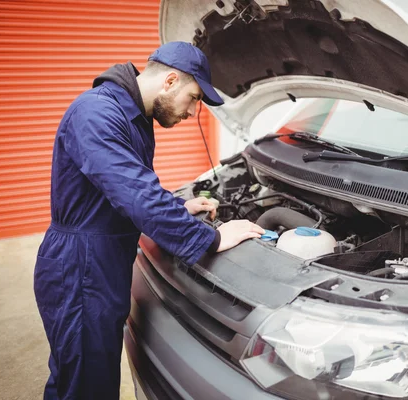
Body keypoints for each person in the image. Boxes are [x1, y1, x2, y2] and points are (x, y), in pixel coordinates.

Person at [33, 41, 265, 399]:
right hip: (80, 270)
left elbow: (121, 190)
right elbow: (136, 195)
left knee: (76, 376)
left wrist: (178, 208)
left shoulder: (132, 116)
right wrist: (214, 239)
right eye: (193, 98)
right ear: (170, 81)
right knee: (85, 386)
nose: (192, 112)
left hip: (98, 264)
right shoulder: (97, 113)